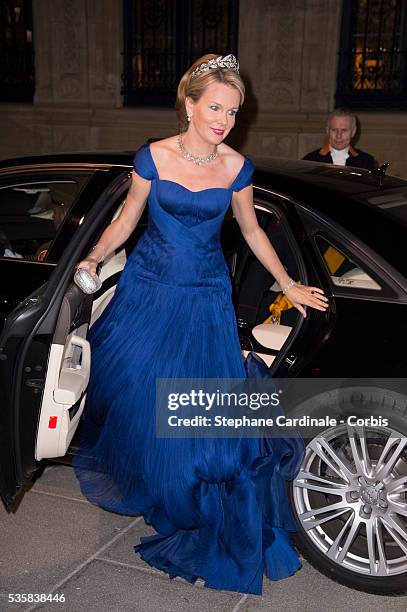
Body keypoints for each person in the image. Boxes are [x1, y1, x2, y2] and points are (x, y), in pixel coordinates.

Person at [73, 53, 328, 595]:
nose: (224, 120)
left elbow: (254, 232)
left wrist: (288, 284)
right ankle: (156, 482)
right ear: (189, 104)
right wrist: (93, 257)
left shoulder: (236, 168)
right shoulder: (152, 158)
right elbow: (126, 220)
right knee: (141, 396)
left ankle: (183, 487)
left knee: (192, 409)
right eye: (215, 107)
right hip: (148, 292)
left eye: (233, 111)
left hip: (206, 297)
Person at [303, 107, 376, 170]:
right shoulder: (310, 161)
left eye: (344, 130)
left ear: (353, 132)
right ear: (327, 131)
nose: (338, 136)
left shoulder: (366, 162)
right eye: (334, 130)